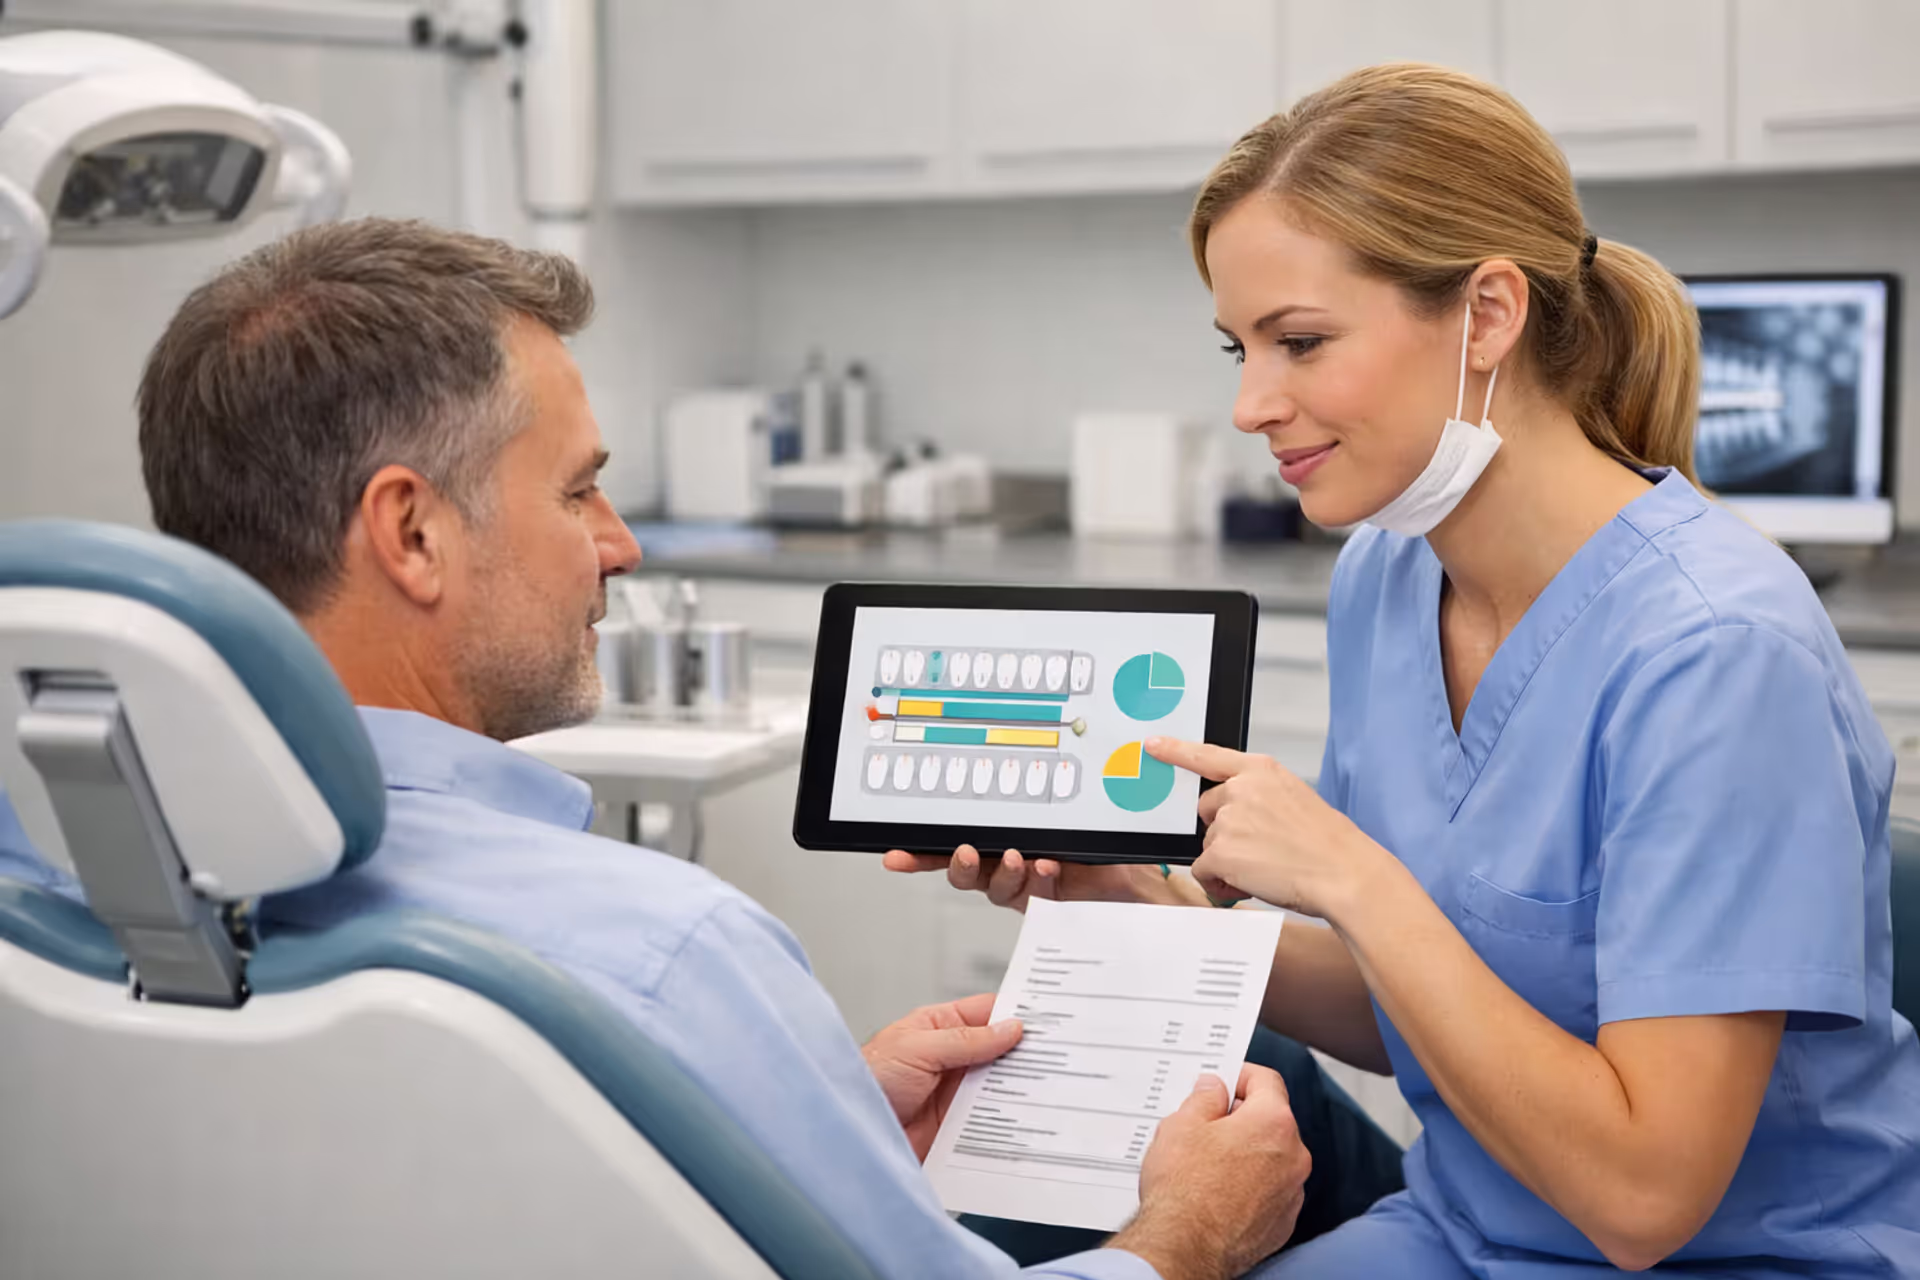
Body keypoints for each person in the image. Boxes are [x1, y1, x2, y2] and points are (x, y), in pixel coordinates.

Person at [0, 218, 1312, 1280]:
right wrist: (1181, 1241)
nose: (621, 543)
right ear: (410, 535)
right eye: (578, 488)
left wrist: (775, 1115)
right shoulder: (659, 955)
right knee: (1281, 1119)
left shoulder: (50, 895)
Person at [889, 64, 1920, 1277]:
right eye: (1238, 346)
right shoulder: (1387, 574)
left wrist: (1352, 875)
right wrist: (1134, 901)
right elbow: (1417, 1011)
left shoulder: (1717, 655)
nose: (1249, 403)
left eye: (1300, 342)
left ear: (1487, 314)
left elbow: (1647, 1200)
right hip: (1460, 1227)